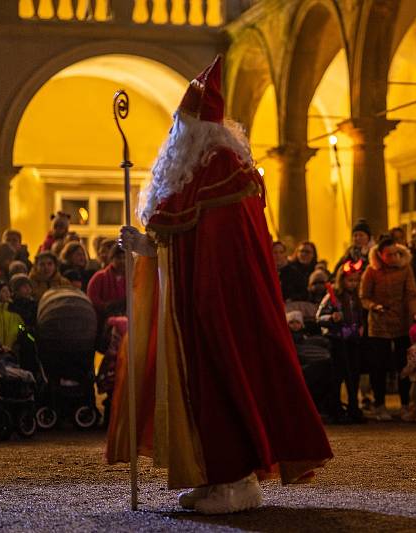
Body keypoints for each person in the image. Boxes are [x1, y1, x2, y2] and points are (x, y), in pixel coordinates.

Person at [109, 56, 332, 514]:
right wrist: (150, 248)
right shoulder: (201, 169)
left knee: (224, 380)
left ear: (199, 128)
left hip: (220, 302)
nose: (174, 132)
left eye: (181, 123)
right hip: (193, 299)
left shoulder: (221, 168)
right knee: (203, 388)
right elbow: (185, 237)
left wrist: (160, 246)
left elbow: (215, 246)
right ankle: (216, 480)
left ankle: (234, 480)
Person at [359, 236, 416, 421]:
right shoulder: (371, 271)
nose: (393, 258)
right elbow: (364, 296)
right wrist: (373, 306)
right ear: (380, 254)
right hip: (379, 323)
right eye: (389, 255)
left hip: (401, 321)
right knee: (379, 364)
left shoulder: (405, 268)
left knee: (403, 363)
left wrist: (414, 315)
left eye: (396, 253)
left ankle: (404, 404)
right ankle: (380, 404)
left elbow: (411, 293)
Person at [316, 258, 366, 422]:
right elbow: (319, 317)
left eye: (355, 281)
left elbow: (358, 317)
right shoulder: (332, 298)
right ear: (342, 280)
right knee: (337, 377)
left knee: (353, 376)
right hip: (337, 342)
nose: (352, 284)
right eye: (350, 280)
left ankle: (353, 407)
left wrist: (360, 327)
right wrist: (332, 317)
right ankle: (335, 409)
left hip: (353, 342)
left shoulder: (356, 298)